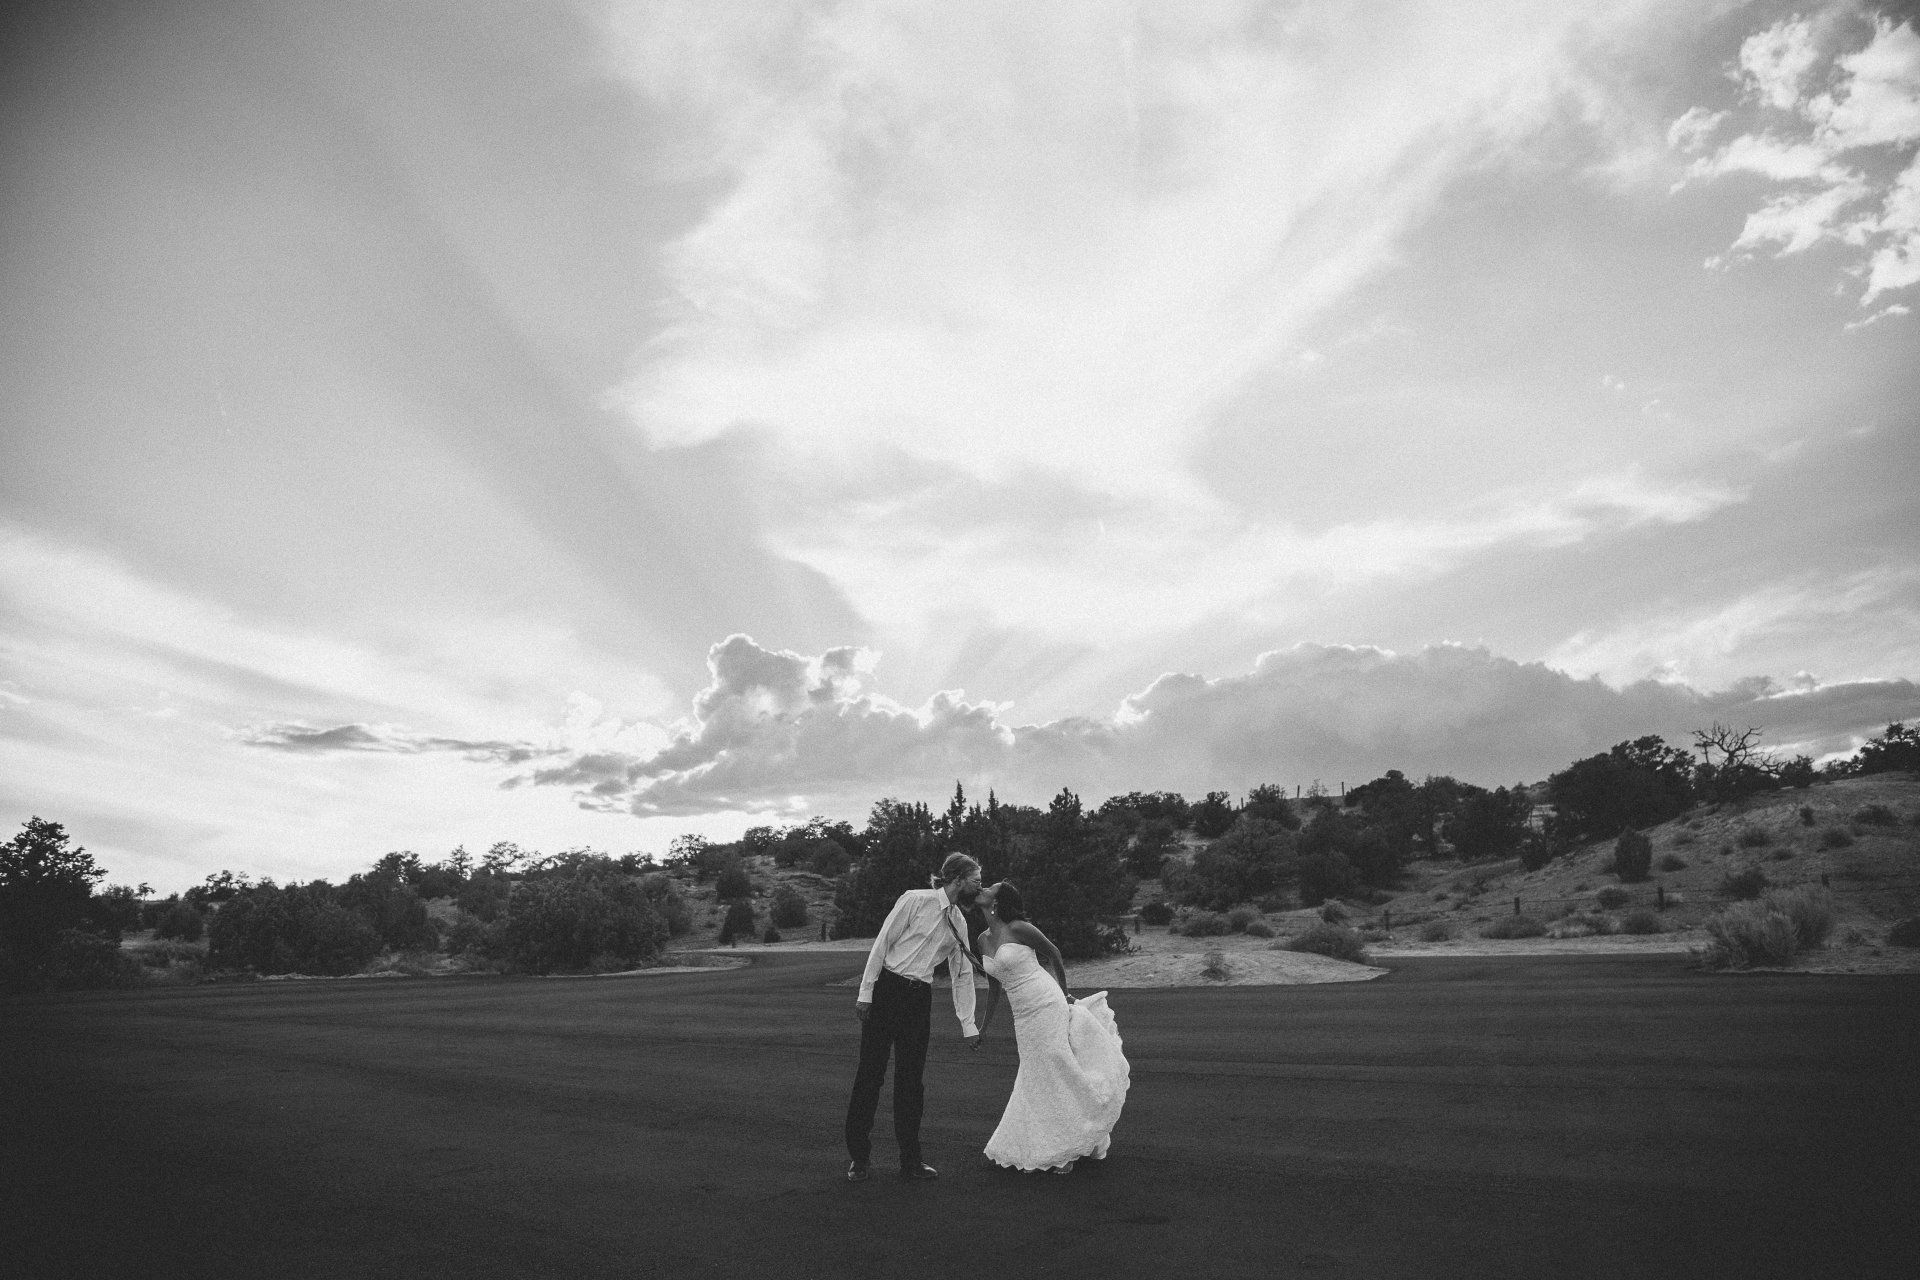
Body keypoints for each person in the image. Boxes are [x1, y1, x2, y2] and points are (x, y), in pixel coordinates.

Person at [974, 880, 1130, 1174]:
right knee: (1035, 1072)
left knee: (1057, 1066)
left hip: (1046, 1001)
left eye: (989, 889)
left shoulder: (1018, 927)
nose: (983, 891)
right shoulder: (982, 939)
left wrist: (1065, 992)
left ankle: (1069, 1146)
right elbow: (994, 988)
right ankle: (1055, 1141)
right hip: (1022, 1014)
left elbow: (1053, 952)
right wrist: (983, 1027)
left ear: (997, 902)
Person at [844, 852, 982, 1182]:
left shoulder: (959, 923)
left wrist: (969, 1024)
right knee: (870, 1075)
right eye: (976, 880)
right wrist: (866, 993)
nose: (980, 885)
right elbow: (882, 943)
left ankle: (911, 1161)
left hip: (919, 999)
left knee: (911, 1082)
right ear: (958, 879)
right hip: (887, 990)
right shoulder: (914, 900)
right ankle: (859, 1159)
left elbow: (962, 974)